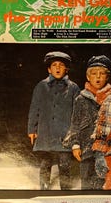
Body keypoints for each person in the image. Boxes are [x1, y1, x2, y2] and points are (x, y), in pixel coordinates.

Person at [27, 51, 80, 190]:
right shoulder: (41, 86)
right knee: (45, 162)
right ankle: (44, 188)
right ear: (49, 69)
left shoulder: (73, 88)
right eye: (54, 65)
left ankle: (65, 189)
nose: (57, 68)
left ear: (66, 69)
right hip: (46, 133)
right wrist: (32, 129)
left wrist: (75, 135)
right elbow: (34, 108)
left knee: (65, 164)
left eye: (61, 65)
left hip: (65, 134)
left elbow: (78, 112)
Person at [63, 55, 111, 190]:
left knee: (105, 181)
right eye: (94, 73)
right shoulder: (81, 99)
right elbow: (75, 123)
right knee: (86, 181)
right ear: (88, 77)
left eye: (102, 73)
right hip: (86, 149)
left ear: (107, 77)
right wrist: (75, 144)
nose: (98, 77)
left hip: (107, 149)